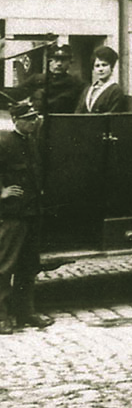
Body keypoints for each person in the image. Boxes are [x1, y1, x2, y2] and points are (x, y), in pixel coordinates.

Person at [0, 103, 55, 334]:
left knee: (28, 265)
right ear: (16, 120)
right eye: (29, 118)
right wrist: (1, 192)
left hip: (32, 212)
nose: (34, 122)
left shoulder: (32, 141)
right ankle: (2, 317)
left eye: (35, 118)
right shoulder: (4, 142)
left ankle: (26, 312)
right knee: (5, 266)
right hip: (13, 214)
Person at [14, 44, 85, 114]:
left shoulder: (76, 83)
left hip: (64, 122)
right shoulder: (37, 79)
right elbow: (17, 93)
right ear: (49, 61)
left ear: (70, 62)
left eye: (63, 60)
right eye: (55, 60)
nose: (59, 64)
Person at [76, 46, 125, 114]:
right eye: (97, 66)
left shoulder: (115, 90)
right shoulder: (88, 90)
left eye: (104, 65)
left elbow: (113, 116)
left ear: (112, 67)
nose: (100, 69)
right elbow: (78, 112)